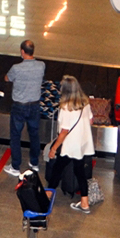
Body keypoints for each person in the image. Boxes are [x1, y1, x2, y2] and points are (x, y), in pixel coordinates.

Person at [44, 76, 94, 214]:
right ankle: (84, 203)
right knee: (80, 172)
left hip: (71, 145)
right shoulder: (85, 103)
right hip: (83, 143)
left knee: (57, 169)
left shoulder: (66, 107)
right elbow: (90, 121)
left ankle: (48, 195)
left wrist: (53, 149)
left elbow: (64, 132)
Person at [3, 40, 45, 177]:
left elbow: (7, 78)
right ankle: (34, 162)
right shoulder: (41, 66)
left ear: (22, 51)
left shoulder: (16, 68)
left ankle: (15, 166)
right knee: (34, 135)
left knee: (15, 136)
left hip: (19, 106)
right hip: (34, 105)